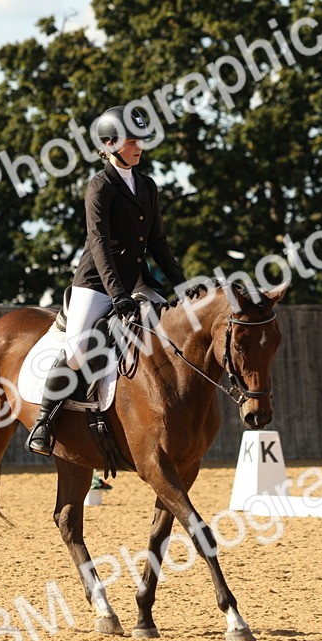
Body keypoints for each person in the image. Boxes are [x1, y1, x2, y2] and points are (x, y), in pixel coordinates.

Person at [27, 104, 187, 456]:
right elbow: (99, 245)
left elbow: (157, 241)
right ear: (110, 144)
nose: (139, 147)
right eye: (132, 141)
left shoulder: (147, 185)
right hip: (97, 284)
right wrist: (117, 294)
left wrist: (181, 285)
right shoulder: (100, 187)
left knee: (178, 331)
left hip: (136, 283)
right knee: (78, 350)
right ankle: (44, 420)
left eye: (141, 141)